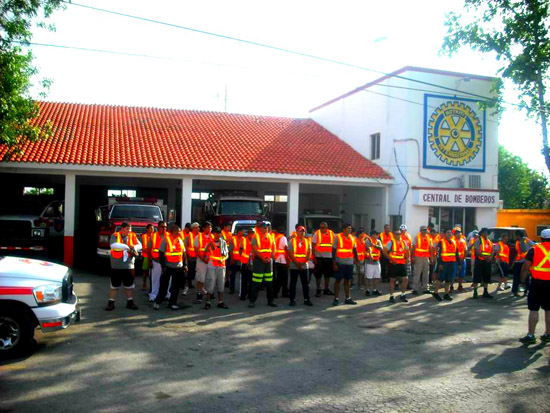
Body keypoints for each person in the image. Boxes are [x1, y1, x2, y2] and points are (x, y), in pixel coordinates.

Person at [518, 228, 550, 344]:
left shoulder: (534, 249)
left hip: (537, 283)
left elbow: (525, 267)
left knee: (534, 309)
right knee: (548, 309)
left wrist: (522, 281)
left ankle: (531, 335)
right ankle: (548, 334)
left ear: (541, 238)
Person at [106, 222, 141, 311]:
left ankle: (130, 302)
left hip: (129, 266)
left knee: (129, 286)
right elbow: (113, 245)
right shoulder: (115, 235)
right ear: (121, 229)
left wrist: (134, 247)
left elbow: (140, 245)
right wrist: (127, 247)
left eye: (130, 229)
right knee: (114, 286)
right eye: (127, 229)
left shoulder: (132, 236)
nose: (129, 231)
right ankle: (111, 303)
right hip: (116, 267)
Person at [154, 225, 188, 310]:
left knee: (176, 287)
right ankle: (158, 301)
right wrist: (163, 266)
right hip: (168, 267)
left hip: (178, 267)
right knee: (164, 286)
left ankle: (172, 303)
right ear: (174, 231)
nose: (180, 232)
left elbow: (184, 254)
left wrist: (185, 265)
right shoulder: (166, 240)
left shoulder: (180, 240)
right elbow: (161, 254)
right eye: (179, 231)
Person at [249, 221, 277, 308]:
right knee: (256, 283)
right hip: (259, 262)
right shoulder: (256, 236)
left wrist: (270, 258)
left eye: (267, 227)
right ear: (260, 228)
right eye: (264, 227)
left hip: (268, 262)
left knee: (269, 283)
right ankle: (252, 301)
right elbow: (254, 249)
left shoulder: (271, 237)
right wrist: (263, 258)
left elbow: (273, 249)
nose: (266, 229)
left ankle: (270, 301)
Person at [331, 223, 358, 306]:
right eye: (348, 228)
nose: (350, 230)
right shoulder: (337, 237)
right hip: (340, 263)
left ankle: (348, 298)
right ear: (343, 229)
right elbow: (333, 250)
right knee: (338, 281)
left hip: (349, 263)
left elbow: (354, 250)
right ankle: (336, 298)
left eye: (350, 228)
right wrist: (334, 263)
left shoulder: (353, 238)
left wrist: (356, 260)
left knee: (348, 281)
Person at [204, 227, 229, 309]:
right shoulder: (209, 242)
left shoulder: (223, 243)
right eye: (216, 233)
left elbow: (226, 255)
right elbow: (205, 253)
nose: (217, 234)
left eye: (219, 233)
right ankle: (208, 302)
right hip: (212, 265)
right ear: (213, 233)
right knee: (211, 284)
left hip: (221, 265)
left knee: (221, 284)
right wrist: (208, 248)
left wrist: (222, 259)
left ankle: (220, 302)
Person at [288, 226, 313, 306]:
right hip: (294, 265)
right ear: (296, 232)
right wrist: (297, 263)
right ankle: (292, 300)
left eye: (303, 231)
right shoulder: (292, 241)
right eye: (300, 231)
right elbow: (290, 253)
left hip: (304, 265)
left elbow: (309, 253)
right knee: (293, 283)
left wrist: (302, 263)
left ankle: (307, 299)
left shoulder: (307, 241)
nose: (301, 232)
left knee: (305, 283)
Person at [432, 229, 460, 302]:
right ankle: (435, 293)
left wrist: (459, 263)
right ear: (444, 234)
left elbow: (456, 253)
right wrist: (440, 263)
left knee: (448, 279)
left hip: (451, 263)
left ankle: (446, 294)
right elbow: (438, 254)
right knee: (440, 279)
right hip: (443, 263)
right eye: (447, 233)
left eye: (450, 233)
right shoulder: (441, 242)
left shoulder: (454, 242)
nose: (449, 234)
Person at [383, 228, 410, 303]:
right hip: (393, 264)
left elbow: (407, 251)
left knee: (405, 279)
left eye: (399, 234)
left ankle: (403, 295)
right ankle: (391, 296)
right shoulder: (391, 242)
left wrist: (407, 258)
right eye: (397, 234)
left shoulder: (404, 242)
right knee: (392, 280)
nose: (398, 235)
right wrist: (391, 259)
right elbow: (384, 252)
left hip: (402, 263)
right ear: (394, 235)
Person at [312, 221, 335, 297]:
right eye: (321, 227)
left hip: (329, 257)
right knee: (318, 274)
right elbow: (313, 245)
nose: (322, 229)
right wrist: (314, 257)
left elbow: (335, 244)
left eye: (323, 227)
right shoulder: (317, 233)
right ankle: (318, 289)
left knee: (327, 274)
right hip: (319, 257)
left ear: (327, 227)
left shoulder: (331, 233)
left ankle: (326, 289)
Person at [148, 221, 168, 302]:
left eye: (165, 227)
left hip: (167, 262)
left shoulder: (169, 236)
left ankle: (167, 294)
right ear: (158, 227)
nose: (164, 228)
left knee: (167, 280)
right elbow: (149, 249)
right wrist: (150, 260)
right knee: (155, 279)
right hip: (156, 261)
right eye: (162, 227)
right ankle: (153, 295)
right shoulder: (153, 236)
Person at [472, 227, 494, 299]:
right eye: (484, 232)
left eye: (487, 232)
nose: (486, 234)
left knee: (486, 277)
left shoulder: (489, 241)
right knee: (477, 276)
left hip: (487, 262)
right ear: (481, 233)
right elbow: (477, 250)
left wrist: (490, 257)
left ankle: (485, 292)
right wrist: (485, 257)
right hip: (480, 261)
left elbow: (492, 251)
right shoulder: (478, 240)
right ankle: (475, 292)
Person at [194, 221, 213, 304]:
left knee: (210, 278)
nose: (209, 229)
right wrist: (203, 259)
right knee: (201, 278)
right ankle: (199, 293)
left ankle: (210, 293)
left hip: (211, 260)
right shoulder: (198, 237)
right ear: (204, 228)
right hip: (201, 260)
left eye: (210, 227)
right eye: (208, 227)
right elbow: (196, 250)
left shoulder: (212, 236)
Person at [512, 230, 535, 297]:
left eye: (516, 235)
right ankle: (515, 291)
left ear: (519, 235)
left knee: (526, 277)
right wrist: (514, 261)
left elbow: (534, 246)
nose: (515, 237)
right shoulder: (517, 242)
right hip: (518, 262)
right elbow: (517, 252)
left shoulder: (526, 240)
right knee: (516, 277)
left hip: (525, 261)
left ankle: (526, 291)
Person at [411, 225, 433, 295]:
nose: (424, 231)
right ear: (420, 231)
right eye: (423, 230)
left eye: (425, 230)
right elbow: (413, 248)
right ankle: (415, 289)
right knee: (417, 273)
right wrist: (413, 257)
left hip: (426, 258)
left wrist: (431, 257)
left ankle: (425, 288)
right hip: (418, 257)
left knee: (426, 274)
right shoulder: (417, 237)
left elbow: (430, 248)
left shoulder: (428, 238)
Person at [183, 222, 200, 296]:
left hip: (199, 258)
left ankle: (199, 288)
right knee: (189, 273)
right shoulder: (189, 235)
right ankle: (186, 288)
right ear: (192, 228)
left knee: (197, 273)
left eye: (198, 227)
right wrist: (187, 256)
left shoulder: (200, 235)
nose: (198, 229)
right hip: (191, 258)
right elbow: (185, 246)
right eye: (196, 227)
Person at [364, 230, 383, 296]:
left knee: (377, 276)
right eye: (376, 234)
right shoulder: (367, 241)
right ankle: (367, 290)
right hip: (369, 262)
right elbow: (367, 248)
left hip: (377, 261)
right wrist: (370, 252)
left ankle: (374, 290)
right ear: (372, 235)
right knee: (368, 277)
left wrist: (374, 245)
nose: (378, 236)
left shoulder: (378, 241)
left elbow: (381, 248)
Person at [273, 228, 289, 298]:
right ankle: (282, 292)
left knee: (279, 277)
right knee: (284, 277)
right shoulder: (283, 238)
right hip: (282, 260)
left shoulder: (275, 237)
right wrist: (287, 259)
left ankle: (276, 292)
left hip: (277, 259)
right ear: (284, 232)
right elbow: (285, 248)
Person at [228, 227, 244, 295]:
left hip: (242, 259)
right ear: (239, 232)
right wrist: (231, 258)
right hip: (234, 259)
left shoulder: (244, 239)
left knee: (242, 275)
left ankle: (242, 289)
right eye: (242, 231)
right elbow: (231, 249)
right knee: (233, 274)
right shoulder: (233, 239)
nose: (243, 233)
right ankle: (232, 288)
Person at [452, 227, 467, 292]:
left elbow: (465, 250)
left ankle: (460, 286)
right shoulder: (452, 241)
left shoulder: (463, 240)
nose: (458, 234)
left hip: (462, 259)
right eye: (456, 233)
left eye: (459, 232)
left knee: (461, 274)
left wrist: (463, 258)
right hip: (454, 260)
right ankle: (451, 287)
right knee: (453, 273)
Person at [239, 229, 253, 301]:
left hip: (252, 263)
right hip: (244, 262)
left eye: (253, 233)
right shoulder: (244, 240)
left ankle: (250, 295)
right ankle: (243, 295)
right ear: (248, 234)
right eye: (251, 233)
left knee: (251, 280)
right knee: (244, 280)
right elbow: (240, 250)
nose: (252, 235)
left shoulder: (255, 240)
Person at [141, 224, 154, 291]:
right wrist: (145, 249)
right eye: (151, 228)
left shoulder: (155, 236)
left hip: (153, 256)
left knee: (152, 272)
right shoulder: (143, 236)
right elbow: (140, 246)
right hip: (145, 256)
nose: (152, 230)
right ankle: (144, 284)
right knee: (145, 271)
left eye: (153, 228)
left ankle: (152, 285)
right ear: (147, 229)